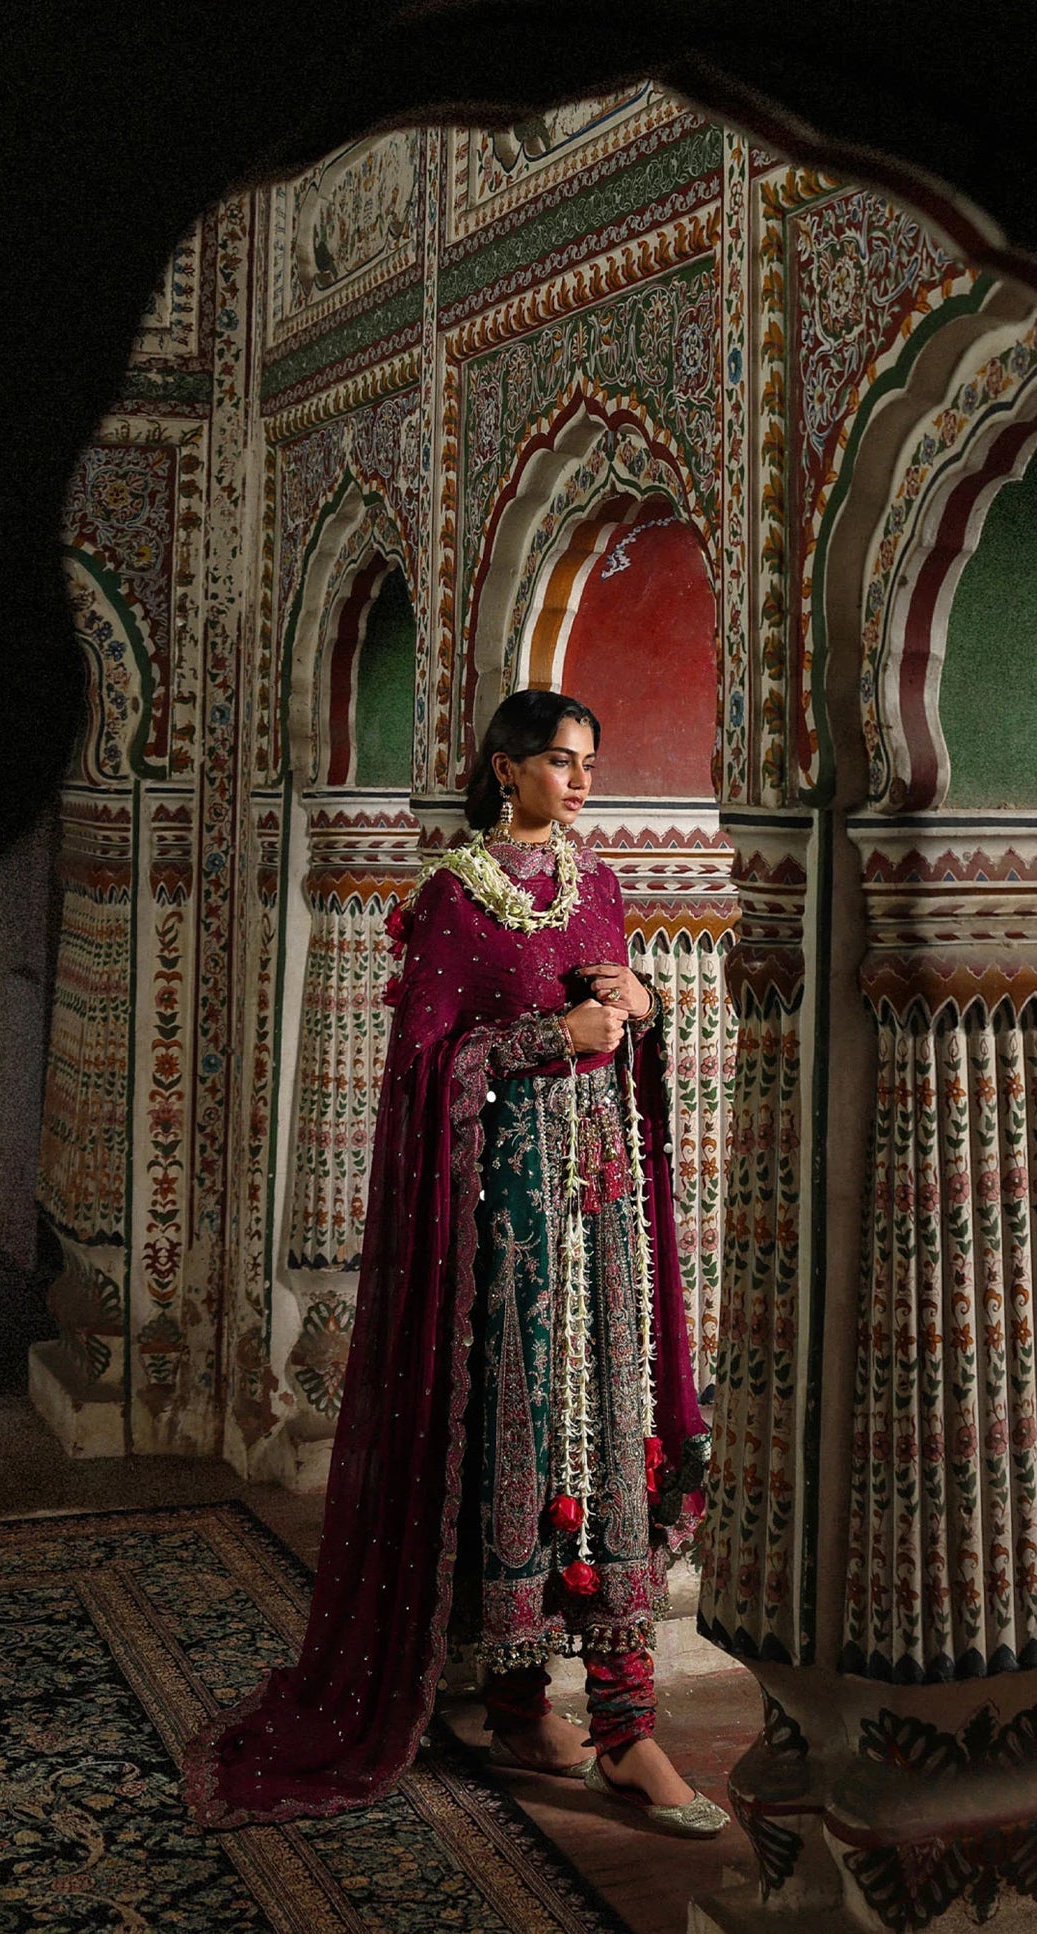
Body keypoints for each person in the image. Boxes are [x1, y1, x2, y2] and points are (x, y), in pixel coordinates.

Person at [186, 689, 724, 1836]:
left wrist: (640, 1003)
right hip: (503, 1228)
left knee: (609, 1440)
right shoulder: (449, 900)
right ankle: (529, 1708)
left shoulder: (600, 883)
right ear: (503, 768)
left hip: (599, 1215)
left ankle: (626, 1722)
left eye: (588, 762)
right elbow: (424, 1071)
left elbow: (613, 1014)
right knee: (515, 1451)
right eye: (560, 763)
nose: (580, 781)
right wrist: (547, 1039)